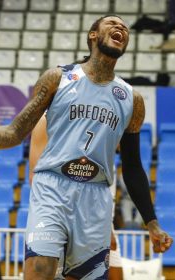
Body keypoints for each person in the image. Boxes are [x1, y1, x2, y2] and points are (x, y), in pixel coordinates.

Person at [0, 15, 172, 280]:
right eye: (112, 23)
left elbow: (133, 167)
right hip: (53, 187)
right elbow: (14, 132)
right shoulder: (58, 78)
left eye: (125, 27)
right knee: (40, 270)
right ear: (92, 35)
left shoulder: (131, 100)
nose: (121, 28)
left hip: (96, 196)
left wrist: (152, 223)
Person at [29, 115, 123, 280]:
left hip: (100, 219)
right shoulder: (47, 120)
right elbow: (35, 177)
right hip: (65, 216)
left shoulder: (103, 118)